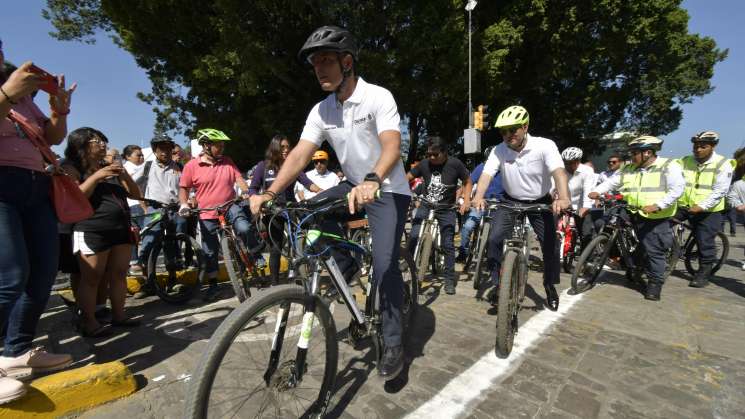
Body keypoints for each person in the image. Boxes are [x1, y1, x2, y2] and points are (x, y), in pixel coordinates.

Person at [249, 25, 412, 379]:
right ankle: (347, 266)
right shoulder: (322, 110)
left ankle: (394, 340)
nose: (319, 69)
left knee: (385, 267)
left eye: (326, 60)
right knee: (305, 214)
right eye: (315, 63)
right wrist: (270, 193)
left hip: (388, 189)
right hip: (352, 184)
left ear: (347, 62)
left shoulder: (378, 97)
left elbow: (391, 147)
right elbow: (299, 156)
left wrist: (373, 179)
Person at [0, 38, 77, 403]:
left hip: (35, 185)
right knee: (10, 275)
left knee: (44, 272)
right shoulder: (12, 90)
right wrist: (7, 96)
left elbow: (52, 138)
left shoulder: (23, 92)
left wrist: (60, 111)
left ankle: (16, 351)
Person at [472, 105, 570, 311]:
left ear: (525, 126)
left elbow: (559, 172)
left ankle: (549, 284)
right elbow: (487, 174)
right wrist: (478, 196)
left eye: (513, 129)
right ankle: (499, 286)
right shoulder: (499, 149)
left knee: (550, 244)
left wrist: (563, 197)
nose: (508, 135)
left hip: (540, 201)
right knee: (494, 239)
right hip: (510, 200)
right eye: (503, 131)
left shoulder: (544, 145)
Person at [61, 128, 143, 337]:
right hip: (91, 229)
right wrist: (96, 177)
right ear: (81, 145)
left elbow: (135, 194)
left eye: (103, 141)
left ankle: (119, 315)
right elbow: (75, 197)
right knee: (92, 278)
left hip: (120, 228)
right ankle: (89, 322)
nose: (103, 145)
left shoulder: (109, 167)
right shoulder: (71, 167)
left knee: (118, 274)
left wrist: (122, 172)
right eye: (96, 141)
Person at [590, 136, 685, 300]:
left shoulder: (668, 166)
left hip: (656, 215)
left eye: (635, 153)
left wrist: (658, 205)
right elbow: (613, 182)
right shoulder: (629, 168)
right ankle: (628, 262)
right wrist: (598, 191)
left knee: (654, 249)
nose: (631, 156)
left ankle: (655, 283)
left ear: (647, 153)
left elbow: (677, 189)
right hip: (632, 210)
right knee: (604, 222)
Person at [178, 128, 252, 301]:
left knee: (244, 227)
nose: (222, 148)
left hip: (229, 206)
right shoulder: (191, 166)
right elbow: (184, 188)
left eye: (223, 144)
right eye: (218, 145)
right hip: (206, 213)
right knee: (209, 251)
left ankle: (250, 256)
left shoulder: (227, 161)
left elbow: (239, 178)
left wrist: (247, 191)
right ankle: (213, 285)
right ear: (205, 146)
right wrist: (183, 204)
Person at [248, 135, 319, 285]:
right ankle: (275, 283)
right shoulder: (263, 166)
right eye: (283, 147)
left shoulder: (292, 165)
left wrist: (321, 191)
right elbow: (253, 188)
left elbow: (307, 183)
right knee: (275, 248)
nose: (286, 150)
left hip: (290, 209)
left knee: (297, 243)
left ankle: (300, 278)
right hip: (272, 212)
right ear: (275, 148)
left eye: (288, 147)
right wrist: (255, 200)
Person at [406, 136, 471, 295]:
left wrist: (466, 200)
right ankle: (408, 262)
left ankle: (449, 279)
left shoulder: (455, 164)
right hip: (426, 204)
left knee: (447, 244)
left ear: (444, 153)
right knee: (413, 235)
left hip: (446, 208)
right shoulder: (424, 164)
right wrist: (405, 192)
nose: (432, 158)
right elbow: (407, 178)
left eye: (435, 155)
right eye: (429, 154)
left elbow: (467, 181)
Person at [675, 131, 736, 287]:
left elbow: (720, 191)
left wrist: (702, 206)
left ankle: (704, 272)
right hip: (684, 205)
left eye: (703, 146)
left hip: (709, 210)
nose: (698, 149)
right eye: (695, 146)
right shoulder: (685, 161)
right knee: (659, 224)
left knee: (704, 240)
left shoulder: (723, 164)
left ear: (713, 146)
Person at [132, 135, 188, 298]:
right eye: (161, 148)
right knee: (149, 242)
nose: (165, 151)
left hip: (174, 209)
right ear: (155, 150)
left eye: (168, 148)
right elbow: (135, 185)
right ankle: (148, 282)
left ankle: (173, 280)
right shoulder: (147, 167)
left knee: (173, 244)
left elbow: (186, 187)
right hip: (154, 209)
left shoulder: (179, 167)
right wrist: (144, 206)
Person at [457, 146, 504, 265]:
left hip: (500, 205)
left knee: (498, 233)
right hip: (481, 202)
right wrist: (464, 198)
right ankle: (463, 252)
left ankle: (495, 258)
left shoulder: (507, 169)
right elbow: (469, 182)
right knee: (467, 227)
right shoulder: (481, 168)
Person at [560, 147, 596, 251]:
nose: (568, 165)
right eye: (566, 163)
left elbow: (587, 189)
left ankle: (587, 260)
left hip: (582, 204)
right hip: (566, 204)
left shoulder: (587, 171)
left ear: (578, 161)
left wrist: (585, 207)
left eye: (571, 163)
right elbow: (553, 186)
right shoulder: (561, 170)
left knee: (585, 234)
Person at [122, 144, 146, 272]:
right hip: (135, 204)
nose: (141, 157)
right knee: (140, 232)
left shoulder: (139, 167)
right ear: (127, 156)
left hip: (141, 203)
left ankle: (136, 261)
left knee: (139, 233)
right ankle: (135, 261)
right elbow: (133, 186)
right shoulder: (127, 168)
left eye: (142, 155)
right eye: (138, 155)